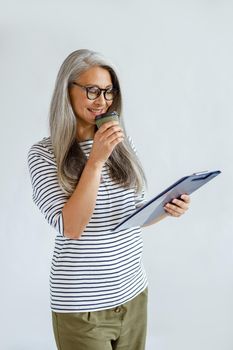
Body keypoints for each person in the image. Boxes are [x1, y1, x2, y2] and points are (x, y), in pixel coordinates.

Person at [28, 49, 190, 350]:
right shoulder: (44, 155)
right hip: (82, 307)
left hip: (133, 292)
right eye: (92, 91)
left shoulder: (120, 143)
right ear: (67, 90)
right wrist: (96, 161)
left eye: (108, 91)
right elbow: (71, 227)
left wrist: (166, 209)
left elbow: (133, 216)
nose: (102, 101)